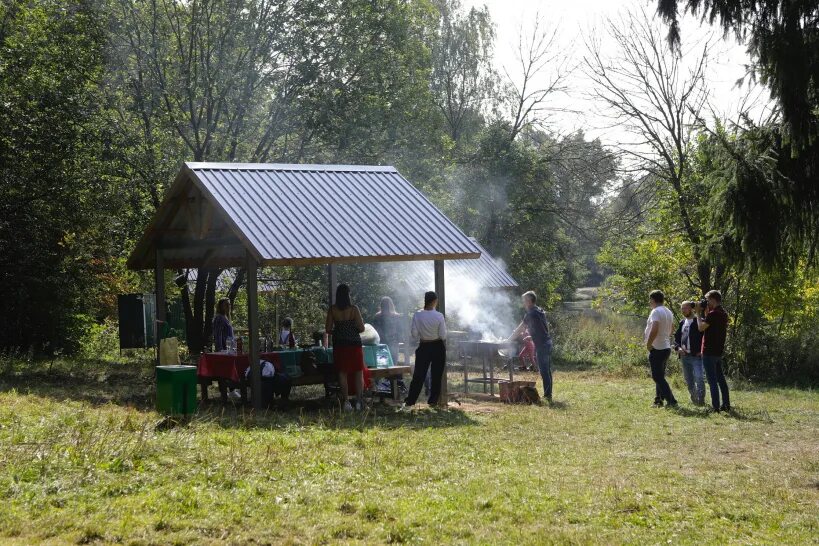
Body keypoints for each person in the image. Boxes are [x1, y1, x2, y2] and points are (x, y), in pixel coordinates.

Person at [325, 284, 366, 412]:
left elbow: (328, 329)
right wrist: (351, 329)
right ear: (348, 295)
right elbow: (362, 328)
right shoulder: (354, 309)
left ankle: (346, 402)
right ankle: (359, 401)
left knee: (342, 372)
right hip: (354, 344)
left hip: (340, 345)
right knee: (358, 371)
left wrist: (339, 331)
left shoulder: (332, 309)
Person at [402, 291, 447, 409]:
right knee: (436, 375)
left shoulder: (417, 314)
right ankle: (433, 401)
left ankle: (410, 401)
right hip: (438, 346)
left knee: (418, 376)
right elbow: (443, 335)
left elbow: (414, 334)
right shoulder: (439, 316)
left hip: (424, 346)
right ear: (434, 301)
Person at [508, 291, 554, 402]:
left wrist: (509, 339)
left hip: (542, 345)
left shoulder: (530, 313)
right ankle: (548, 394)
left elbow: (520, 328)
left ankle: (548, 396)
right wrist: (532, 337)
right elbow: (542, 328)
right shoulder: (539, 310)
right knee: (547, 371)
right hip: (547, 342)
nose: (523, 302)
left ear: (529, 301)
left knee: (544, 371)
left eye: (524, 300)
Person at [696, 290, 731, 412]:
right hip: (718, 351)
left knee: (712, 381)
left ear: (713, 299)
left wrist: (698, 313)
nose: (706, 302)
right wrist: (705, 312)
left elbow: (701, 328)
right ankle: (726, 404)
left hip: (709, 351)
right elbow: (710, 322)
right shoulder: (723, 313)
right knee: (721, 379)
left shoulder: (713, 314)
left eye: (707, 300)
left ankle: (715, 407)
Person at [645, 290, 677, 408]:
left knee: (657, 377)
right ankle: (658, 401)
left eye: (650, 300)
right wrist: (665, 338)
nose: (650, 302)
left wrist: (649, 344)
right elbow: (672, 327)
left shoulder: (656, 311)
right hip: (665, 347)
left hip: (657, 348)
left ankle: (671, 401)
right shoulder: (668, 311)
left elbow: (655, 329)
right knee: (660, 376)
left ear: (653, 300)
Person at [674, 301, 705, 405]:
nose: (683, 310)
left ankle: (701, 401)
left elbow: (707, 338)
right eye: (682, 308)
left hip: (696, 356)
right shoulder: (682, 322)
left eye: (685, 308)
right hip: (684, 356)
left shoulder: (699, 321)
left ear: (692, 308)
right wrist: (677, 348)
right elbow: (676, 339)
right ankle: (694, 399)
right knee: (689, 380)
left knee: (699, 378)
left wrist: (702, 351)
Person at [372, 296, 403, 364]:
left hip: (382, 343)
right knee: (392, 363)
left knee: (383, 364)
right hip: (391, 342)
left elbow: (375, 330)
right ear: (391, 304)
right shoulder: (396, 316)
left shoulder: (377, 316)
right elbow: (400, 330)